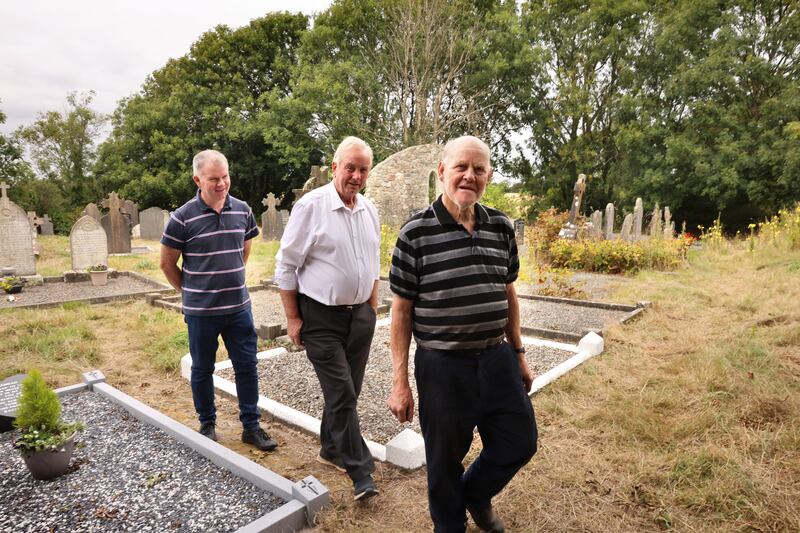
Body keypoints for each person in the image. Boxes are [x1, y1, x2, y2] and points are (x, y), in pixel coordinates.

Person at [387, 136, 538, 532]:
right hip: (442, 366)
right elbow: (401, 312)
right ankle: (449, 525)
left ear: (488, 176)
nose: (469, 176)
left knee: (519, 441)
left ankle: (474, 494)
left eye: (479, 169)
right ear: (442, 172)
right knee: (444, 460)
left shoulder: (501, 227)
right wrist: (399, 381)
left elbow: (508, 294)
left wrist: (519, 353)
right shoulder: (414, 234)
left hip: (496, 358)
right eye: (461, 167)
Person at [274, 136, 381, 501]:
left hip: (360, 317)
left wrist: (372, 308)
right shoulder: (311, 206)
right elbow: (286, 265)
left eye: (363, 169)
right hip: (321, 317)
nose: (356, 175)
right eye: (349, 167)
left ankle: (329, 449)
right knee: (342, 392)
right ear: (335, 167)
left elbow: (373, 262)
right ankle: (360, 470)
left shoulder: (369, 209)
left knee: (346, 392)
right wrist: (292, 318)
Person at [160, 149, 277, 452]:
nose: (222, 183)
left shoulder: (242, 210)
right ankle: (207, 423)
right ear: (197, 179)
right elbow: (167, 264)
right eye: (214, 179)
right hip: (202, 312)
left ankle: (251, 426)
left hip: (238, 307)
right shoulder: (181, 218)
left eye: (225, 176)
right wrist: (190, 292)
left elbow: (245, 249)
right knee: (202, 368)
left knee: (247, 366)